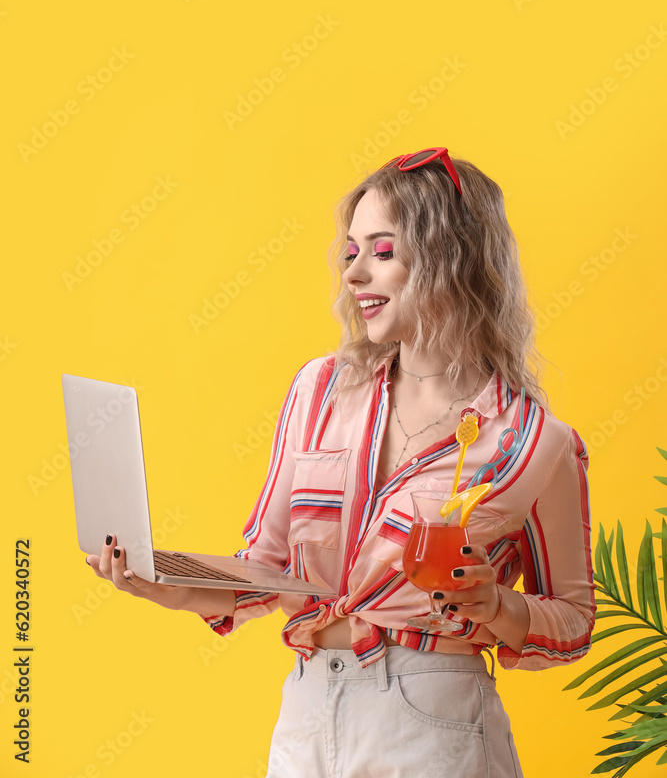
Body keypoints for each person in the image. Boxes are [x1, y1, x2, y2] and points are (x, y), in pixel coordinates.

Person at [86, 147, 595, 777]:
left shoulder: (537, 442)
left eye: (382, 252)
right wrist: (159, 579)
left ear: (451, 259)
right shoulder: (321, 389)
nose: (354, 275)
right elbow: (264, 571)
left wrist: (495, 607)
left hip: (432, 721)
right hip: (305, 715)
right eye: (351, 252)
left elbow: (572, 622)